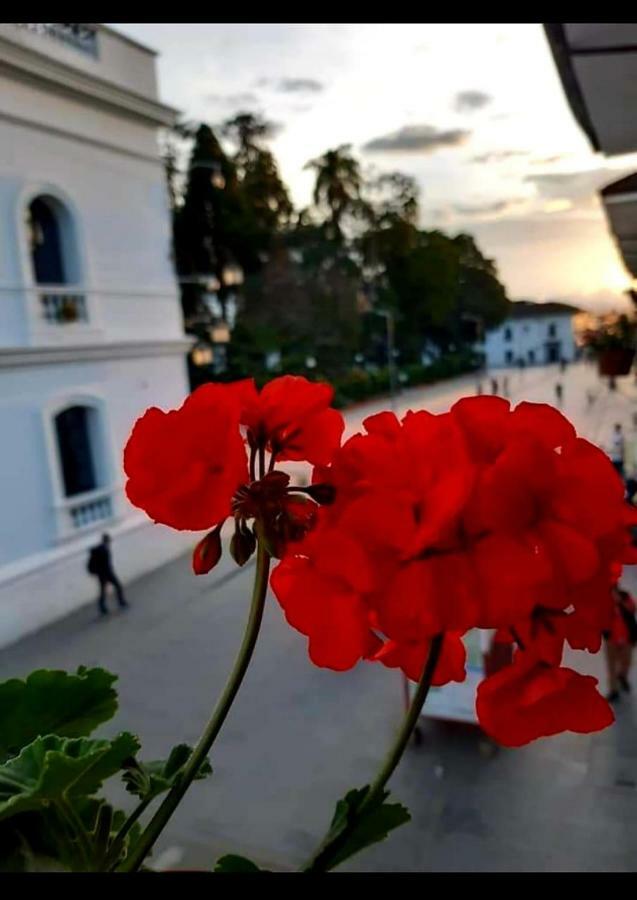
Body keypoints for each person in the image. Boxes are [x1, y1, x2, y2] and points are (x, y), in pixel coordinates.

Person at [604, 586, 637, 702]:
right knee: (611, 666)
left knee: (626, 661)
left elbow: (633, 609)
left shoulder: (625, 596)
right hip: (611, 639)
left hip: (626, 638)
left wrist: (621, 603)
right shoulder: (605, 600)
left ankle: (622, 676)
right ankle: (614, 690)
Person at [87, 533, 128, 616]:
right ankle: (121, 602)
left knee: (103, 591)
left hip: (102, 573)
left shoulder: (100, 549)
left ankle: (103, 608)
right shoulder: (104, 550)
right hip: (106, 573)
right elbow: (105, 563)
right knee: (117, 586)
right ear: (107, 541)